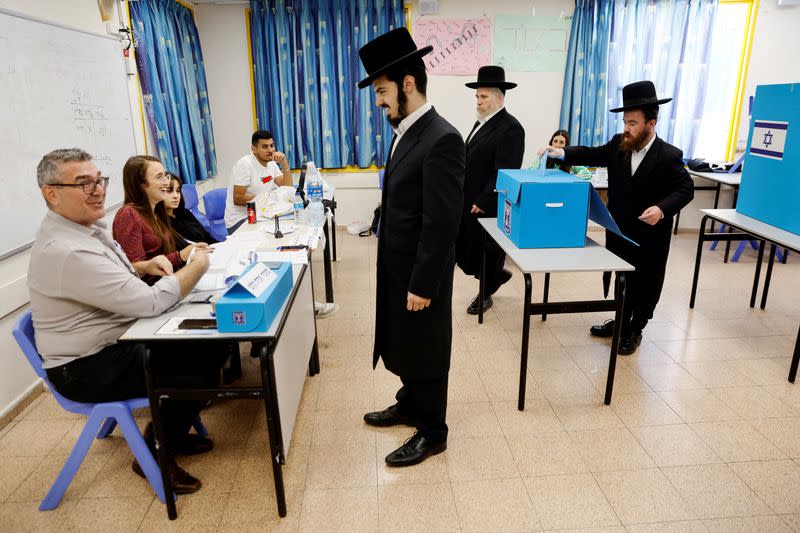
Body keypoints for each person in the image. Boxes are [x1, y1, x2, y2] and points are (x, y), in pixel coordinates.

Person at [28, 148, 227, 494]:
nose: (98, 190)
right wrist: (197, 266)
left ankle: (171, 435)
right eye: (83, 184)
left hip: (115, 339)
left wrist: (143, 267)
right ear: (51, 193)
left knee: (211, 346)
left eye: (98, 181)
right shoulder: (67, 249)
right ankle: (156, 450)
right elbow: (149, 303)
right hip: (85, 367)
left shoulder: (84, 230)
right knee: (199, 365)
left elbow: (118, 276)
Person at [357, 28, 465, 467]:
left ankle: (433, 431)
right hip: (399, 266)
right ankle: (409, 403)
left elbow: (441, 223)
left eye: (381, 91)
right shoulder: (407, 130)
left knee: (426, 347)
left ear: (407, 83)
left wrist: (423, 283)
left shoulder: (442, 138)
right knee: (405, 340)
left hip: (423, 274)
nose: (378, 102)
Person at [539, 80, 694, 354]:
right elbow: (590, 153)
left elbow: (685, 188)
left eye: (633, 123)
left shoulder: (668, 155)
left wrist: (661, 209)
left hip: (650, 238)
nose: (626, 128)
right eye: (625, 122)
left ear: (651, 123)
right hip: (619, 232)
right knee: (622, 280)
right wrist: (561, 152)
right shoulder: (618, 145)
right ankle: (620, 320)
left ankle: (635, 329)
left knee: (645, 282)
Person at [455, 65, 525, 315]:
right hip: (469, 197)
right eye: (477, 96)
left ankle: (486, 291)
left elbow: (504, 170)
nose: (479, 101)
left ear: (499, 97)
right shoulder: (481, 123)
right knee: (468, 250)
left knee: (486, 251)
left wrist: (485, 199)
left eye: (483, 96)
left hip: (489, 202)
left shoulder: (511, 128)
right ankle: (496, 275)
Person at [113, 155, 207, 284]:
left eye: (165, 176)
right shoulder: (128, 214)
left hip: (171, 281)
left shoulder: (156, 212)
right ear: (141, 184)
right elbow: (134, 271)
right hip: (155, 292)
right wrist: (181, 256)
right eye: (159, 177)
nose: (166, 182)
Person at [224, 130, 292, 234]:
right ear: (254, 149)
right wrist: (267, 199)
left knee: (286, 228)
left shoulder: (271, 163)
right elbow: (237, 198)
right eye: (264, 147)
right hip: (240, 220)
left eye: (272, 146)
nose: (270, 150)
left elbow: (287, 187)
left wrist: (284, 163)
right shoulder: (245, 164)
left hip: (262, 214)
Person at [164, 174, 218, 247]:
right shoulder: (160, 224)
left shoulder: (185, 213)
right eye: (169, 191)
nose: (176, 196)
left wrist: (222, 246)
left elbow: (207, 236)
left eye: (178, 191)